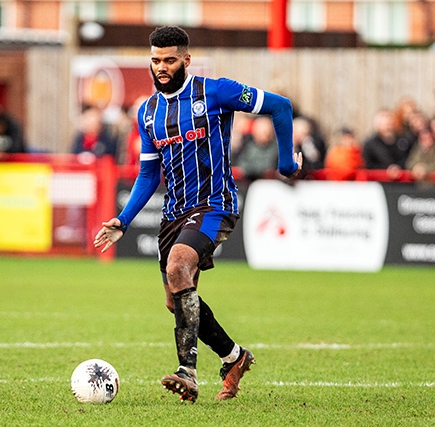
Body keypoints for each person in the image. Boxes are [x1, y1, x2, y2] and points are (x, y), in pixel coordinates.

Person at [93, 26, 302, 403]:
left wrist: (286, 161)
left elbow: (280, 106)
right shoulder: (148, 111)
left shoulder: (215, 91)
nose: (161, 67)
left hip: (214, 204)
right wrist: (122, 220)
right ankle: (234, 357)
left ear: (186, 60)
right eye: (155, 60)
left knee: (178, 268)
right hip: (173, 213)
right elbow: (147, 173)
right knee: (175, 299)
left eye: (169, 60)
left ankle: (187, 372)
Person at [234, 116, 279, 180]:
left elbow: (271, 168)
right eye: (261, 131)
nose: (265, 134)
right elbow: (242, 167)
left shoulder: (276, 149)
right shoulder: (248, 147)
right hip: (249, 182)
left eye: (266, 131)